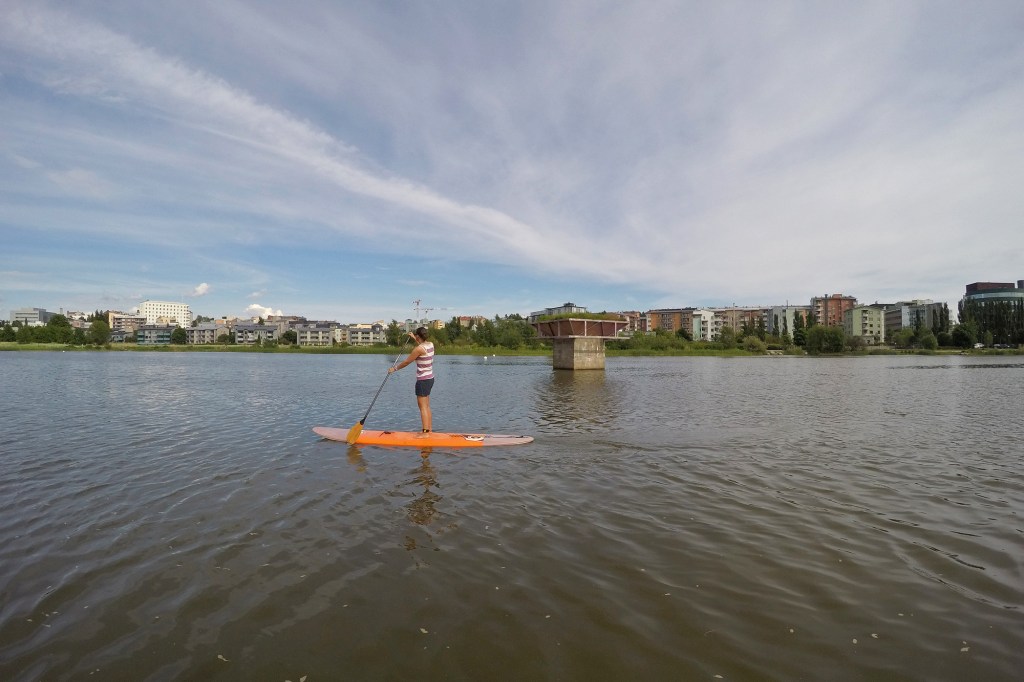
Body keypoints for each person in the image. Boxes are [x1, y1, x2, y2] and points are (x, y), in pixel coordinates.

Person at [389, 327, 434, 435]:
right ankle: (429, 430)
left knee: (422, 407)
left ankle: (425, 433)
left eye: (416, 335)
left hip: (422, 380)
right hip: (430, 378)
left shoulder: (418, 349)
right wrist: (415, 338)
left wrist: (394, 369)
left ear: (418, 336)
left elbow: (406, 362)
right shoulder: (431, 344)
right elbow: (422, 346)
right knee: (426, 406)